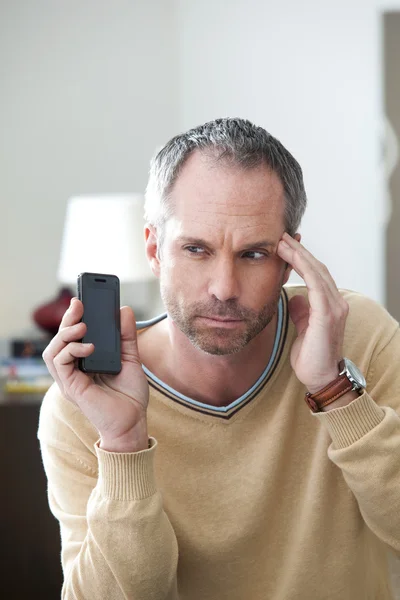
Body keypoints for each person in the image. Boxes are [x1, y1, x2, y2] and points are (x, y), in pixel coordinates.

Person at [38, 117, 400, 600]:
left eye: (253, 254)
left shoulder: (359, 336)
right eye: (196, 249)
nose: (224, 289)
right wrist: (123, 443)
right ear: (154, 249)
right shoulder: (83, 404)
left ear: (292, 259)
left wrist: (334, 390)